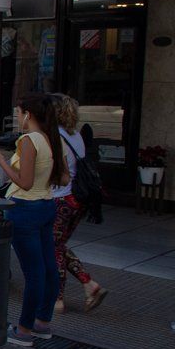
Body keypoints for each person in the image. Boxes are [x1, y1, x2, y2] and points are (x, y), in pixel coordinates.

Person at [0, 93, 69, 347]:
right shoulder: (54, 139)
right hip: (46, 205)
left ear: (28, 115)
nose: (17, 118)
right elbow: (64, 179)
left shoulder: (28, 141)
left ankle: (23, 329)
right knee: (47, 267)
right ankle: (42, 323)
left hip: (25, 209)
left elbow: (24, 181)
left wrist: (2, 162)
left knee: (33, 272)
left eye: (18, 113)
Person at [51, 94, 107, 313]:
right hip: (77, 200)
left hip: (60, 198)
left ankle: (57, 298)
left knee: (53, 248)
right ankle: (89, 284)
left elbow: (58, 172)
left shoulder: (56, 136)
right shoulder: (74, 135)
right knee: (58, 245)